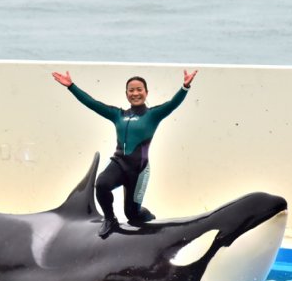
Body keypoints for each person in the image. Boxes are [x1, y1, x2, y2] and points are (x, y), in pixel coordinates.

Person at [52, 69, 197, 238]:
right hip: (118, 164)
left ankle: (148, 217)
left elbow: (173, 103)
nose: (135, 93)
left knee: (132, 215)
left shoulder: (153, 115)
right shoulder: (117, 115)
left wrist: (185, 87)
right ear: (127, 94)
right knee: (101, 184)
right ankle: (110, 219)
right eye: (131, 90)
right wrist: (71, 86)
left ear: (146, 92)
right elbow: (92, 103)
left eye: (139, 89)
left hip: (139, 170)